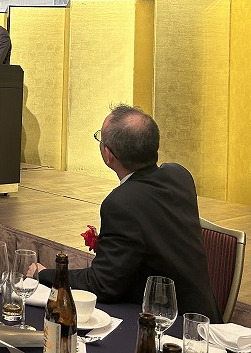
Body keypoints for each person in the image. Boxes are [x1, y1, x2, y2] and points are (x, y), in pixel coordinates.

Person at [37, 104, 220, 320]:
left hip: (170, 323)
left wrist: (45, 275)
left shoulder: (121, 203)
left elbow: (103, 284)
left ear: (108, 155)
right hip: (203, 315)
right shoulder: (179, 175)